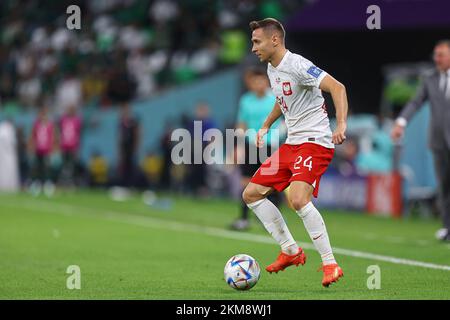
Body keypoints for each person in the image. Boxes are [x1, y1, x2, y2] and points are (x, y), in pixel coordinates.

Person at [242, 18, 348, 287]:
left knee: (298, 199)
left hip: (315, 142)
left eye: (257, 41)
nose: (253, 47)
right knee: (251, 194)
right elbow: (283, 100)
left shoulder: (298, 65)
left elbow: (337, 87)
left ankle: (330, 263)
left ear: (274, 40)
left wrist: (341, 124)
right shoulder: (271, 69)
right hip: (292, 143)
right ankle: (290, 250)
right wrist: (266, 125)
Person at [391, 40, 450, 241]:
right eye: (436, 54)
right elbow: (416, 102)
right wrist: (401, 122)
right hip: (439, 140)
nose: (437, 58)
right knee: (444, 184)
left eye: (441, 54)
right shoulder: (430, 79)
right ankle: (447, 226)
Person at [230, 67, 282, 231]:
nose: (258, 84)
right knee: (246, 182)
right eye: (255, 81)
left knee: (270, 183)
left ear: (266, 82)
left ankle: (272, 218)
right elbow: (241, 124)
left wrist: (279, 137)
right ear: (250, 84)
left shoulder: (274, 99)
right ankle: (244, 219)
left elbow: (285, 121)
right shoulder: (246, 100)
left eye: (261, 81)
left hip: (269, 144)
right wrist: (238, 146)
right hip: (251, 144)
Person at [58, 105, 82, 186]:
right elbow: (60, 131)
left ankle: (71, 182)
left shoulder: (76, 120)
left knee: (71, 165)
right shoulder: (63, 119)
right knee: (64, 165)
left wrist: (77, 146)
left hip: (73, 146)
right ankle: (63, 182)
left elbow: (78, 134)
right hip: (64, 146)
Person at [118, 103, 140, 188]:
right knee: (124, 166)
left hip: (131, 148)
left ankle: (131, 185)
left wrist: (136, 147)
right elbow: (120, 137)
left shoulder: (133, 122)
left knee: (131, 166)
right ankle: (124, 184)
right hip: (124, 148)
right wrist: (120, 150)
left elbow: (137, 135)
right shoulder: (121, 123)